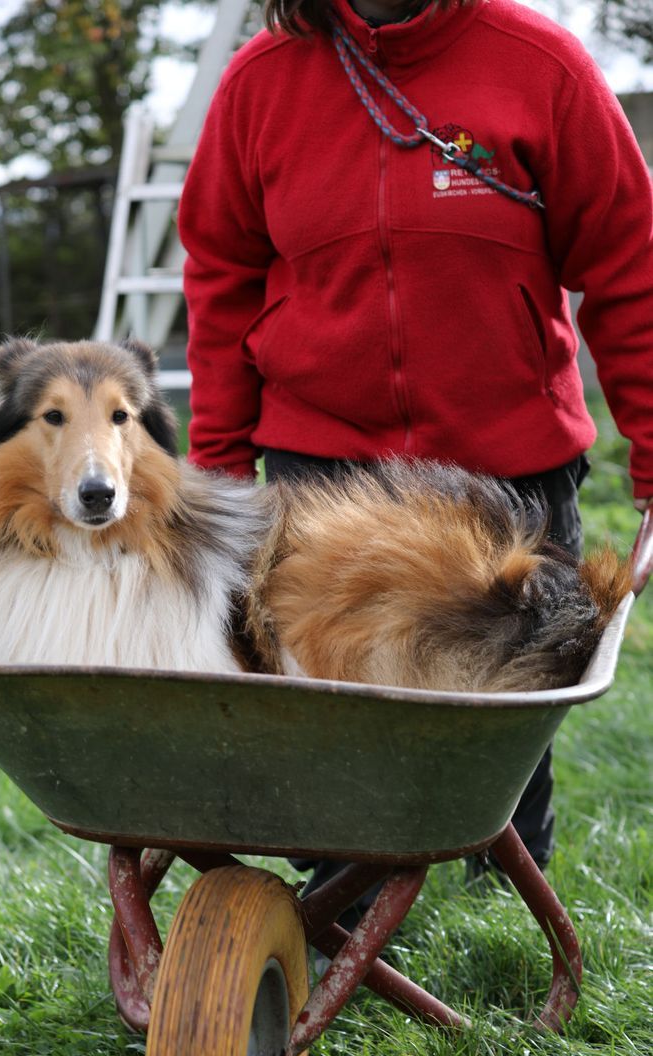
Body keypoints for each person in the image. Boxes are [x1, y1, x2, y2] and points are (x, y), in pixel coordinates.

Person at [177, 0, 653, 894]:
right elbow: (222, 280)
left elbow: (632, 267)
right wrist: (223, 470)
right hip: (324, 474)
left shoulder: (541, 64)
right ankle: (334, 904)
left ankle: (504, 887)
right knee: (324, 702)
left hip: (507, 465)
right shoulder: (260, 82)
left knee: (505, 701)